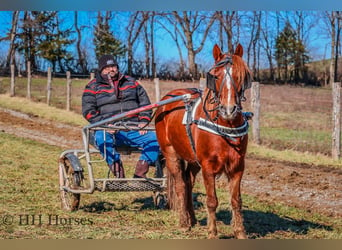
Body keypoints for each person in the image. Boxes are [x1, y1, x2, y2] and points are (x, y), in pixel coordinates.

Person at [82, 54, 160, 178]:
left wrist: (143, 121)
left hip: (134, 128)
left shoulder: (131, 82)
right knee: (101, 138)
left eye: (113, 66)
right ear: (101, 69)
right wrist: (105, 124)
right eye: (107, 67)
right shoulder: (92, 86)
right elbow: (88, 111)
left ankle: (140, 172)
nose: (111, 69)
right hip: (108, 130)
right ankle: (117, 169)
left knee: (156, 139)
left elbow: (145, 104)